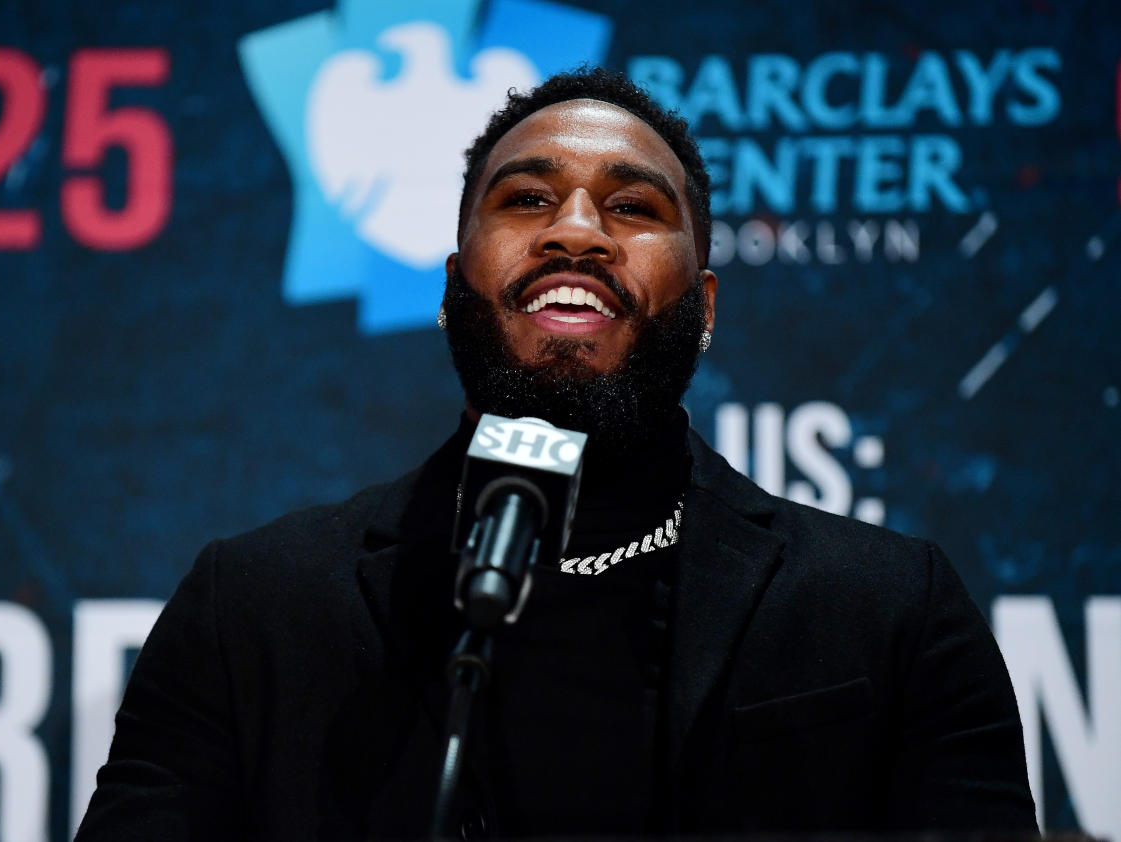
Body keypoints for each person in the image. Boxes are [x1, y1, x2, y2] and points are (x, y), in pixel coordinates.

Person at [76, 68, 1037, 839]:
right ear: (454, 290)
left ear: (703, 309)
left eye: (631, 208)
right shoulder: (253, 609)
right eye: (528, 199)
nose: (574, 231)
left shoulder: (884, 609)